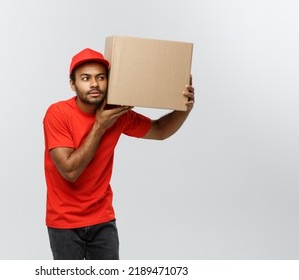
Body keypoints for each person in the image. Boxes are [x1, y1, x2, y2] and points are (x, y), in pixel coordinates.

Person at [42, 48, 195, 260]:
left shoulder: (118, 115)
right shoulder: (58, 114)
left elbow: (160, 130)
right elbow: (70, 171)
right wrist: (100, 126)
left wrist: (185, 108)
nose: (94, 84)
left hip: (102, 219)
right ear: (72, 84)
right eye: (85, 78)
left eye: (101, 77)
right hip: (64, 222)